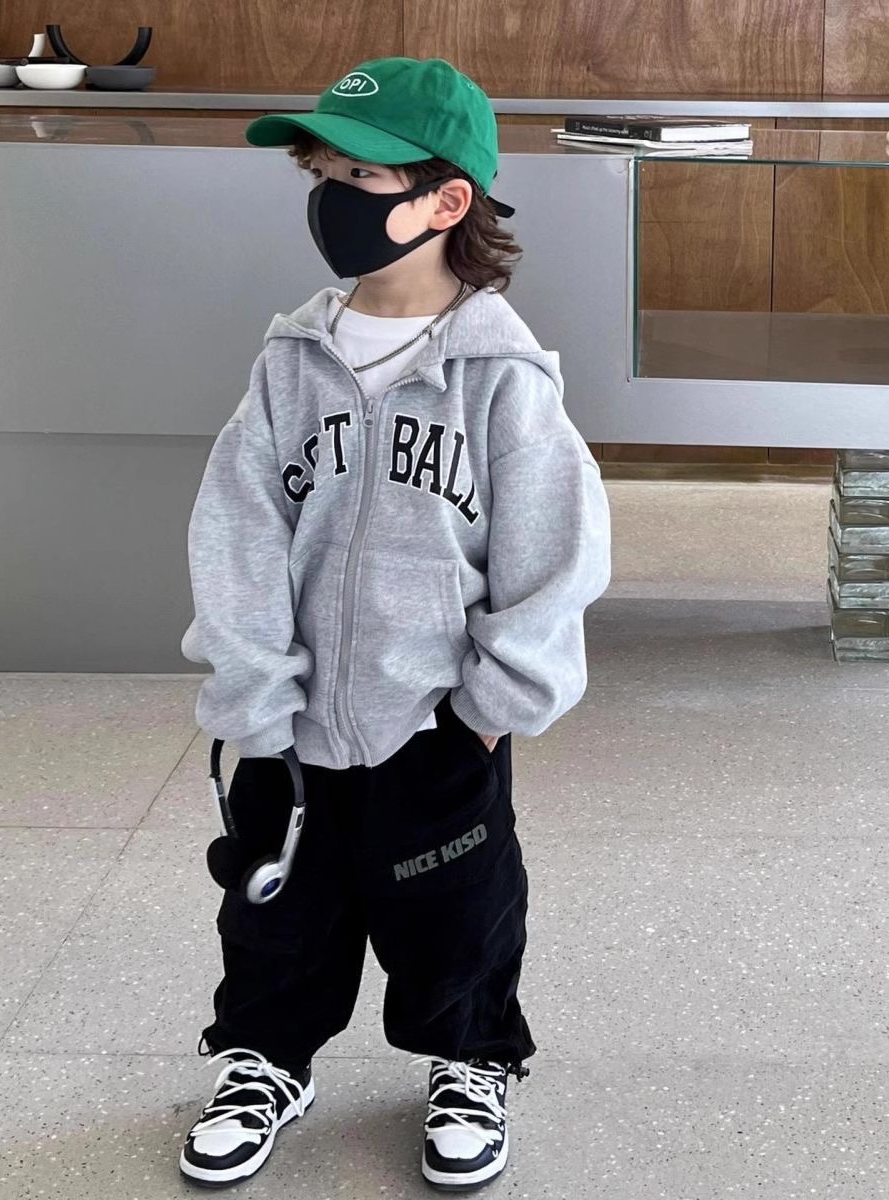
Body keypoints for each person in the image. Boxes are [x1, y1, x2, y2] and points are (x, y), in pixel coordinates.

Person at [177, 56, 611, 1192]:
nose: (333, 196)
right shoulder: (291, 363)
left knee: (457, 911)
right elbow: (237, 530)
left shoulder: (503, 379)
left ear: (446, 200)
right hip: (289, 724)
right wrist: (253, 690)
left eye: (361, 176)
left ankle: (471, 1059)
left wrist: (487, 711)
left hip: (435, 726)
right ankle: (266, 1060)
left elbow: (554, 558)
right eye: (322, 171)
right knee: (276, 914)